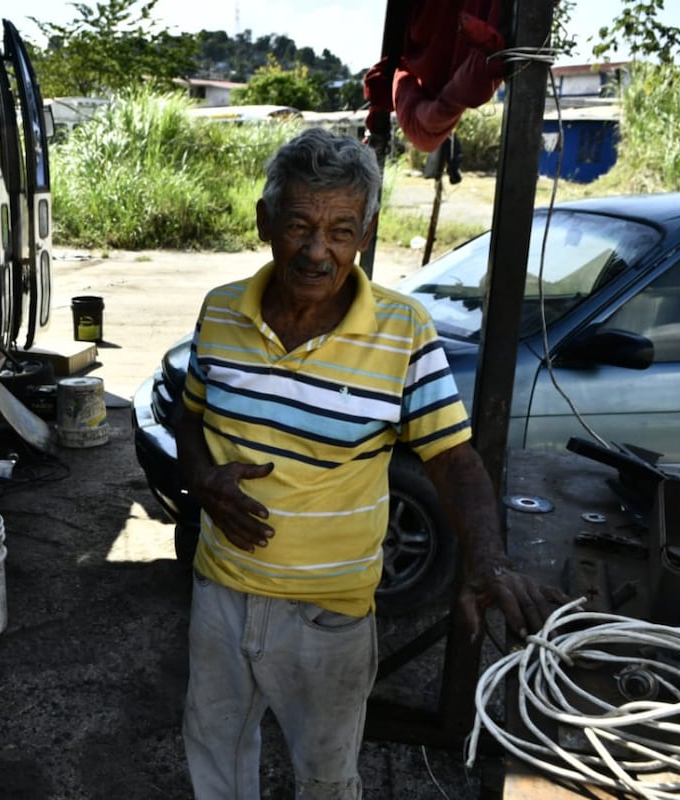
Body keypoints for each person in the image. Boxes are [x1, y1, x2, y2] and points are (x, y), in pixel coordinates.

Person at [174, 127, 561, 799]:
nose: (319, 251)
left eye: (341, 231)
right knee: (213, 755)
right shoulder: (219, 314)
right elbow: (190, 417)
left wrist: (488, 556)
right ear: (266, 220)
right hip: (222, 592)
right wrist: (202, 476)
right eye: (299, 225)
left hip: (330, 613)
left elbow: (452, 457)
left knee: (326, 778)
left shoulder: (404, 331)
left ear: (367, 230)